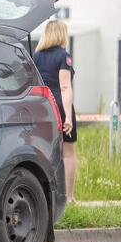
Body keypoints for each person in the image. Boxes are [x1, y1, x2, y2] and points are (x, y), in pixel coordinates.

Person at [33, 20, 76, 203]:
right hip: (59, 105)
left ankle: (48, 197)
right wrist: (68, 117)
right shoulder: (63, 56)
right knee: (68, 152)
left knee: (46, 152)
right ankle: (69, 197)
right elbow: (65, 87)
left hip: (42, 106)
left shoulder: (36, 56)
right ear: (61, 34)